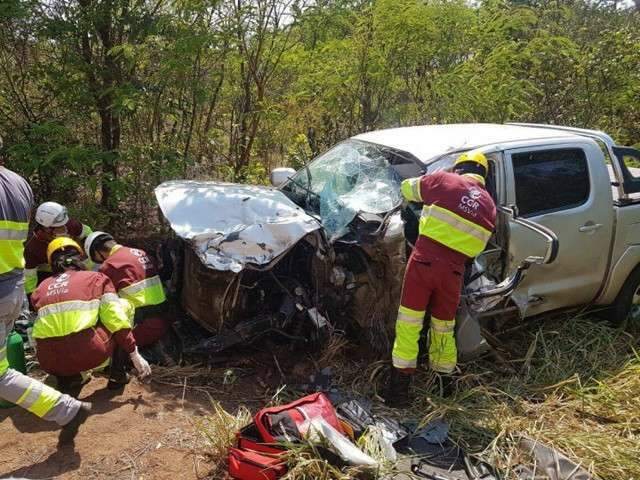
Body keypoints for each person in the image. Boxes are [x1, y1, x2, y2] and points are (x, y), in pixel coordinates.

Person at [384, 151, 497, 407]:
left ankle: (398, 392)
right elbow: (478, 247)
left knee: (409, 325)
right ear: (483, 176)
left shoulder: (445, 180)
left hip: (423, 263)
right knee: (443, 327)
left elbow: (406, 189)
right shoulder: (490, 206)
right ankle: (443, 385)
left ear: (459, 168)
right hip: (454, 272)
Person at [0, 154, 90, 445]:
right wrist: (27, 298)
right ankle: (65, 410)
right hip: (15, 289)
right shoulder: (18, 184)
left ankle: (66, 410)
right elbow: (26, 268)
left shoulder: (70, 229)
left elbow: (87, 241)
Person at [31, 237, 151, 395]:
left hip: (49, 361)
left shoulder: (40, 288)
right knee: (122, 306)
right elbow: (115, 318)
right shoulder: (95, 279)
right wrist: (134, 353)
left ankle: (69, 378)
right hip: (90, 355)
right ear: (80, 258)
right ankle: (117, 375)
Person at [84, 232, 171, 354]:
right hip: (165, 319)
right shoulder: (141, 253)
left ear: (98, 251)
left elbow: (103, 302)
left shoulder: (108, 266)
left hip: (143, 327)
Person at [23, 201, 92, 296]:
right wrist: (31, 298)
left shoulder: (71, 225)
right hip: (50, 276)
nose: (65, 229)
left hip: (78, 267)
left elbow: (89, 236)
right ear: (47, 229)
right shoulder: (33, 249)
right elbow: (29, 278)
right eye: (59, 227)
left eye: (64, 225)